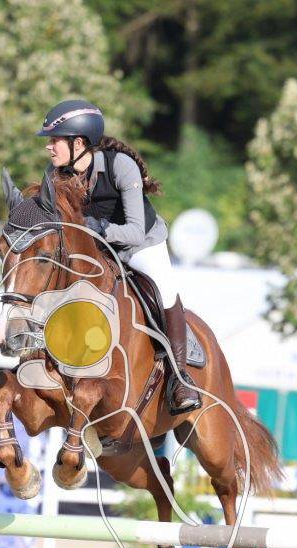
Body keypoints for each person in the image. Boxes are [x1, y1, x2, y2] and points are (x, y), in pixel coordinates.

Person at [35, 99, 200, 414]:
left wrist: (97, 229)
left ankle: (180, 378)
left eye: (55, 140)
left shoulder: (119, 166)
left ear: (78, 143)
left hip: (141, 246)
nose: (49, 147)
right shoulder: (55, 176)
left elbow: (135, 231)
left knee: (165, 291)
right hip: (96, 251)